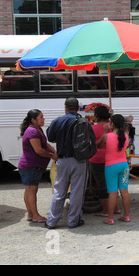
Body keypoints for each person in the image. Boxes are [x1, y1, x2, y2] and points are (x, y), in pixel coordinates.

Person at [45, 97, 93, 229]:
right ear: (78, 108)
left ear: (65, 107)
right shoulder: (83, 122)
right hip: (79, 161)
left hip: (62, 160)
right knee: (77, 192)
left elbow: (50, 137)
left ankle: (51, 221)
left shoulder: (57, 121)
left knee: (59, 191)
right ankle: (73, 221)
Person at [18, 109, 57, 223]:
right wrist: (52, 156)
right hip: (31, 165)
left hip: (32, 165)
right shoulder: (32, 132)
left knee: (29, 190)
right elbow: (39, 150)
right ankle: (35, 215)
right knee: (32, 190)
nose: (43, 119)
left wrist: (54, 151)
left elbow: (45, 144)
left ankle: (30, 214)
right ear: (33, 120)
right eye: (41, 117)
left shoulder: (37, 129)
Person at [98, 114, 131, 224]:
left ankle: (110, 218)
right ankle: (126, 216)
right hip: (124, 165)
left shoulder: (107, 136)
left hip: (111, 166)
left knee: (112, 192)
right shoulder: (126, 136)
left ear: (111, 124)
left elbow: (98, 145)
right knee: (124, 191)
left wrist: (105, 132)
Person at [89, 105, 112, 216]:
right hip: (111, 159)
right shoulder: (111, 126)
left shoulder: (92, 128)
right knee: (111, 184)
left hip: (96, 159)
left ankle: (105, 211)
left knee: (102, 185)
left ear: (96, 116)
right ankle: (115, 208)